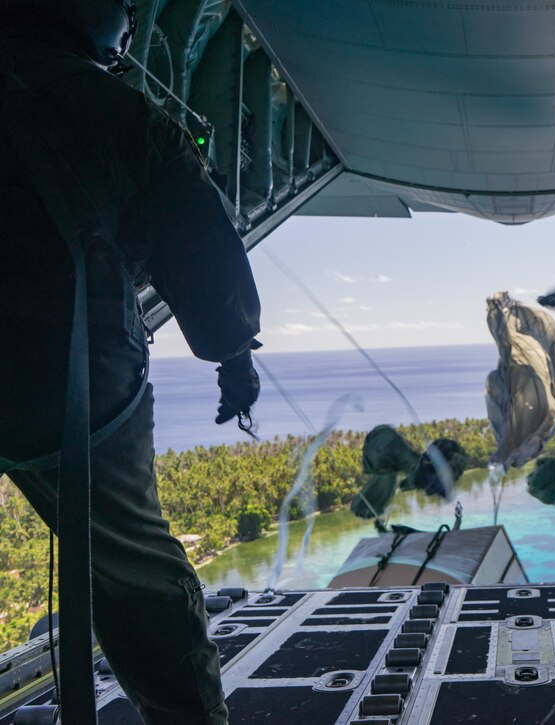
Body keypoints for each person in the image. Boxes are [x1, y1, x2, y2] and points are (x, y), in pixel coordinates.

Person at [0, 1, 262, 722]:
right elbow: (201, 243)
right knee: (140, 578)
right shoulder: (110, 105)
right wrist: (233, 356)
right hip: (63, 375)